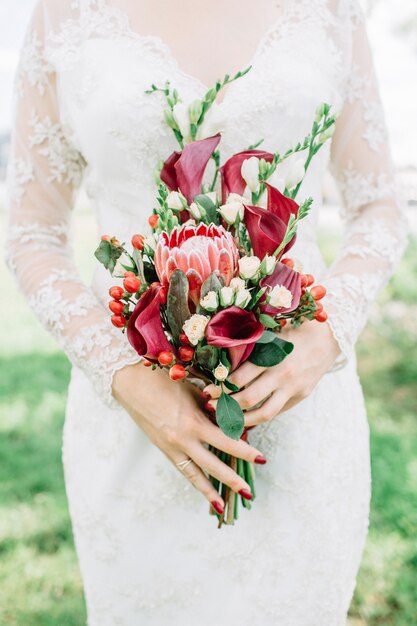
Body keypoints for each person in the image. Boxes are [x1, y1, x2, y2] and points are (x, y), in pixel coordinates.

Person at [5, 0, 408, 624]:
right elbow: (30, 230)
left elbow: (380, 205)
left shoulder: (331, 9)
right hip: (136, 428)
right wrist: (124, 375)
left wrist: (327, 335)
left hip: (298, 417)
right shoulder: (64, 15)